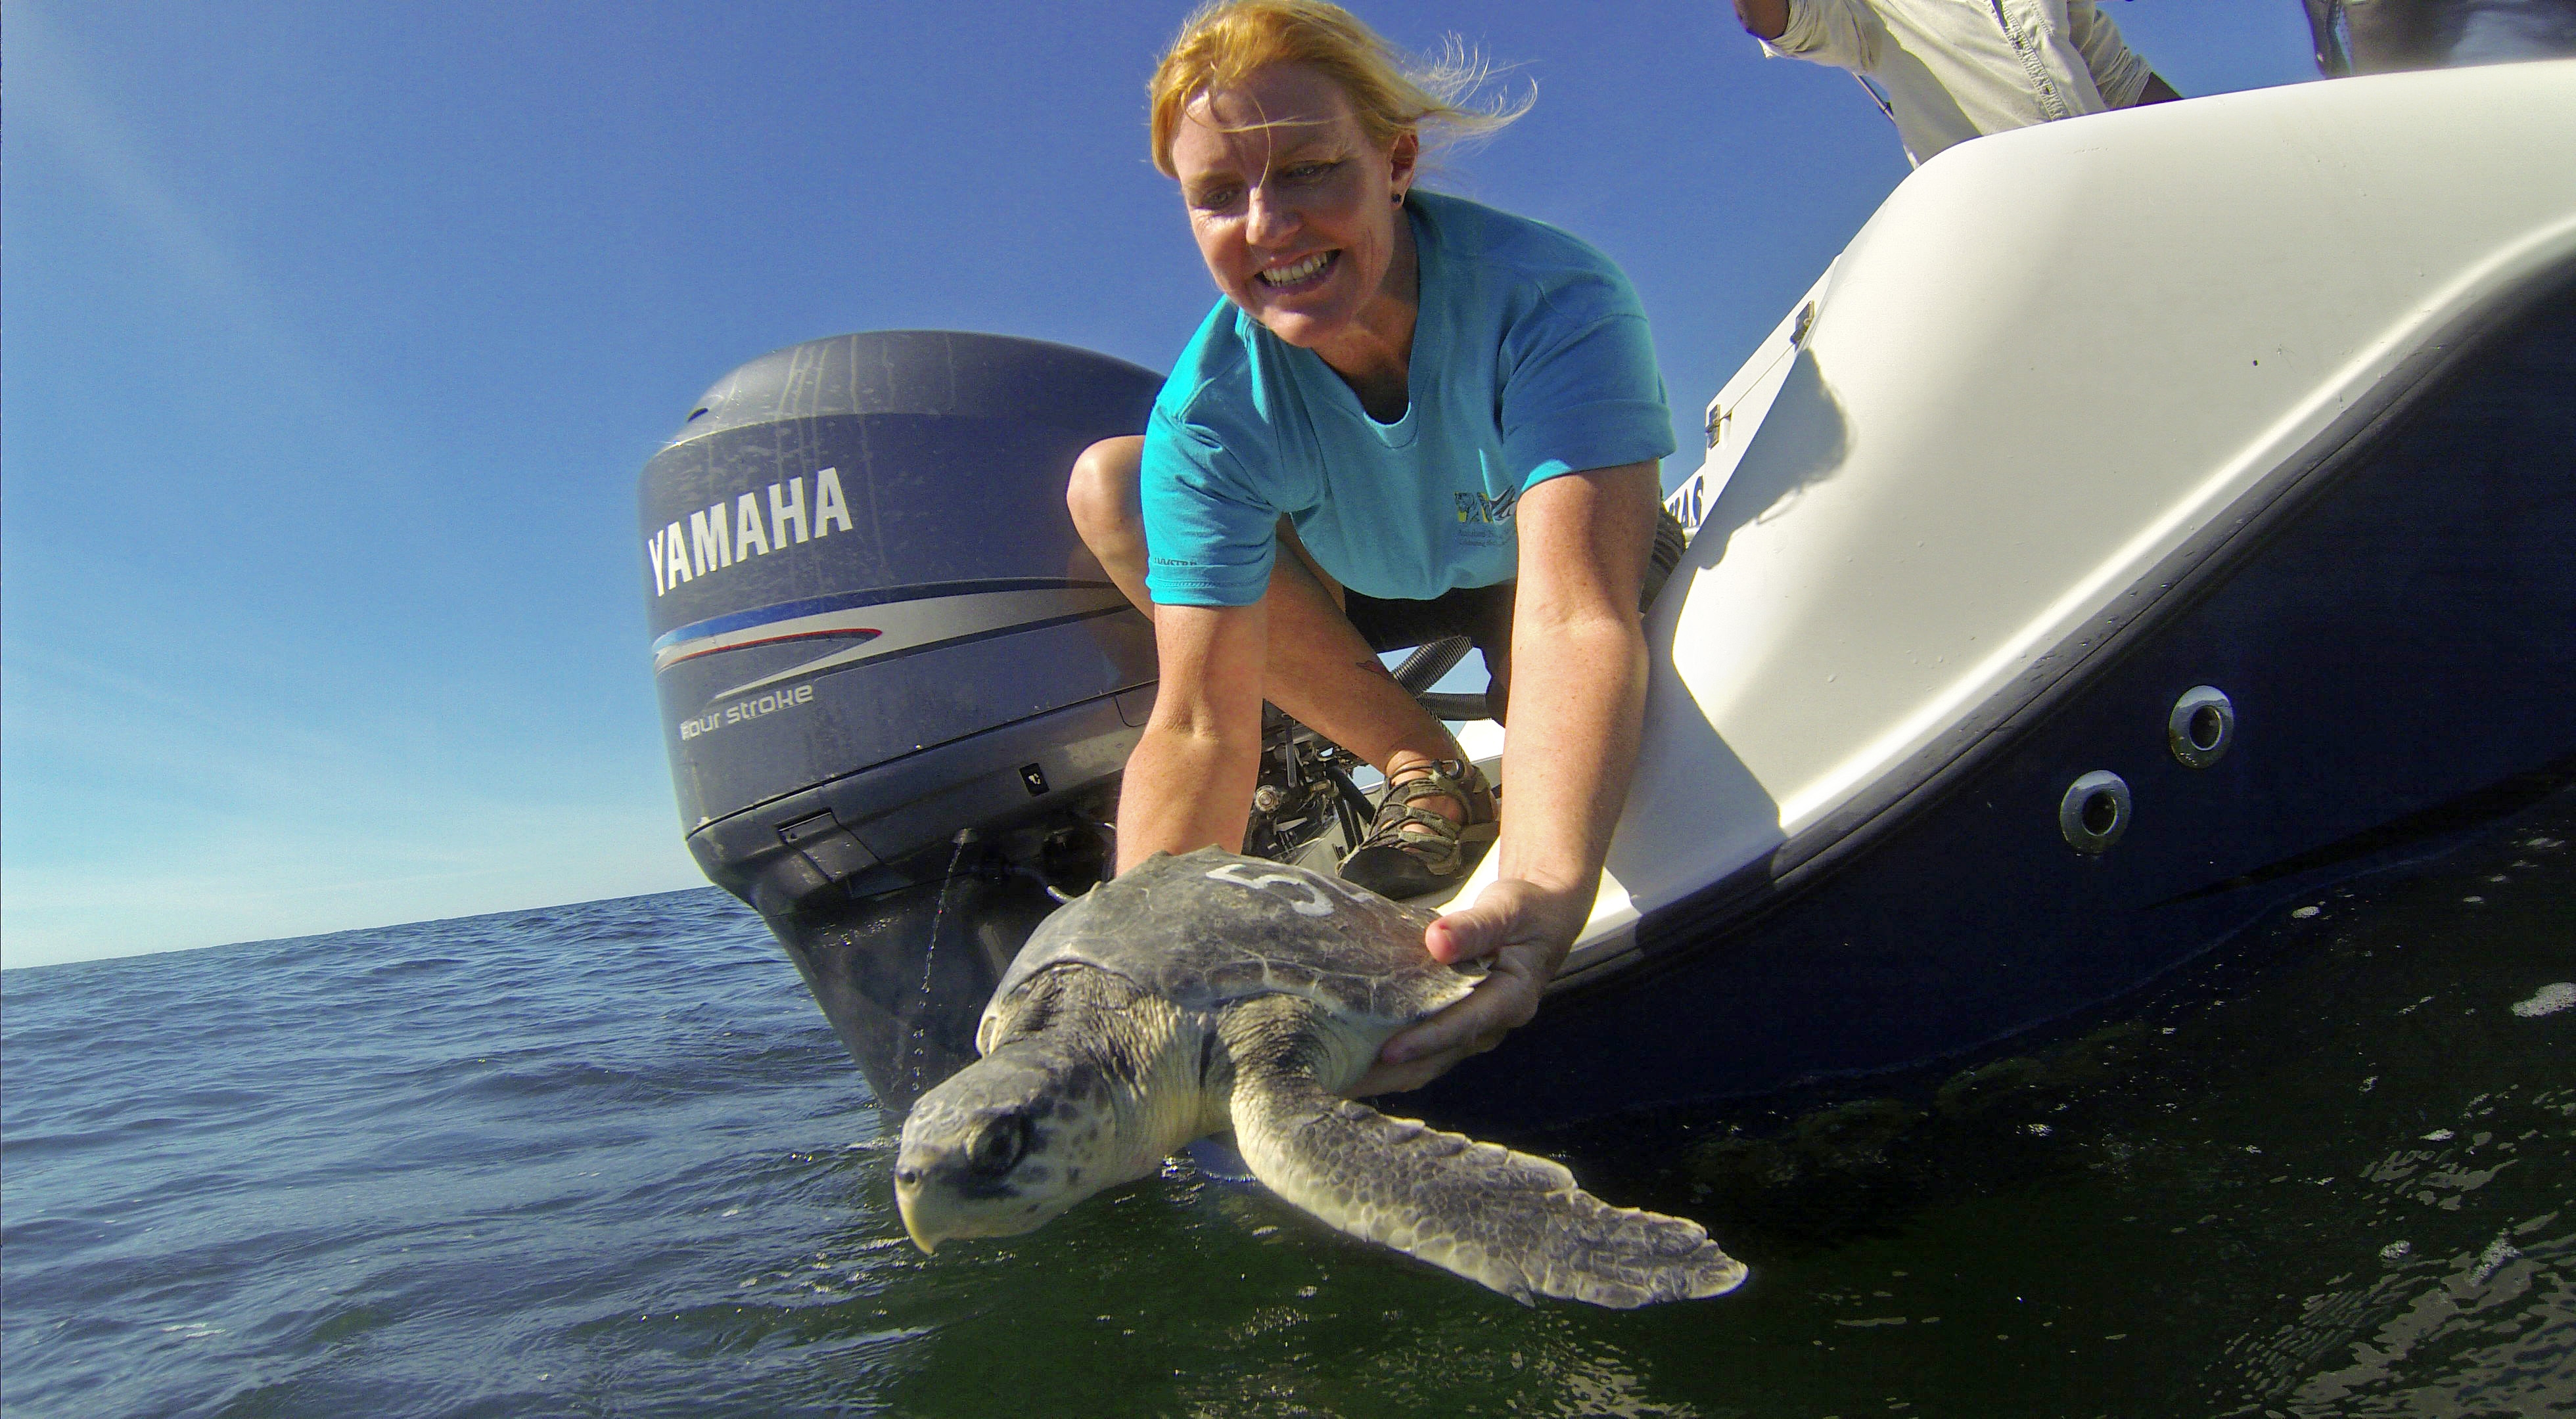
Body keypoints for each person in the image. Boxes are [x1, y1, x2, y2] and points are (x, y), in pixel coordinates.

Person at [1066, 0, 1676, 1095]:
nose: (1269, 227)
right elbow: (1201, 721)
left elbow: (1575, 612)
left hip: (1545, 557)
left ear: (1395, 162)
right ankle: (1423, 767)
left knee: (1617, 728)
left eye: (1308, 170)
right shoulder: (1208, 414)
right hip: (1370, 580)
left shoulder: (1552, 301)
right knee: (1113, 484)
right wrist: (1131, 989)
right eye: (1218, 196)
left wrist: (1543, 884)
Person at [1732, 0, 2183, 166]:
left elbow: (2118, 77)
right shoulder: (1864, 10)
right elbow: (1773, 21)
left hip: (2124, 194)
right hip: (2006, 250)